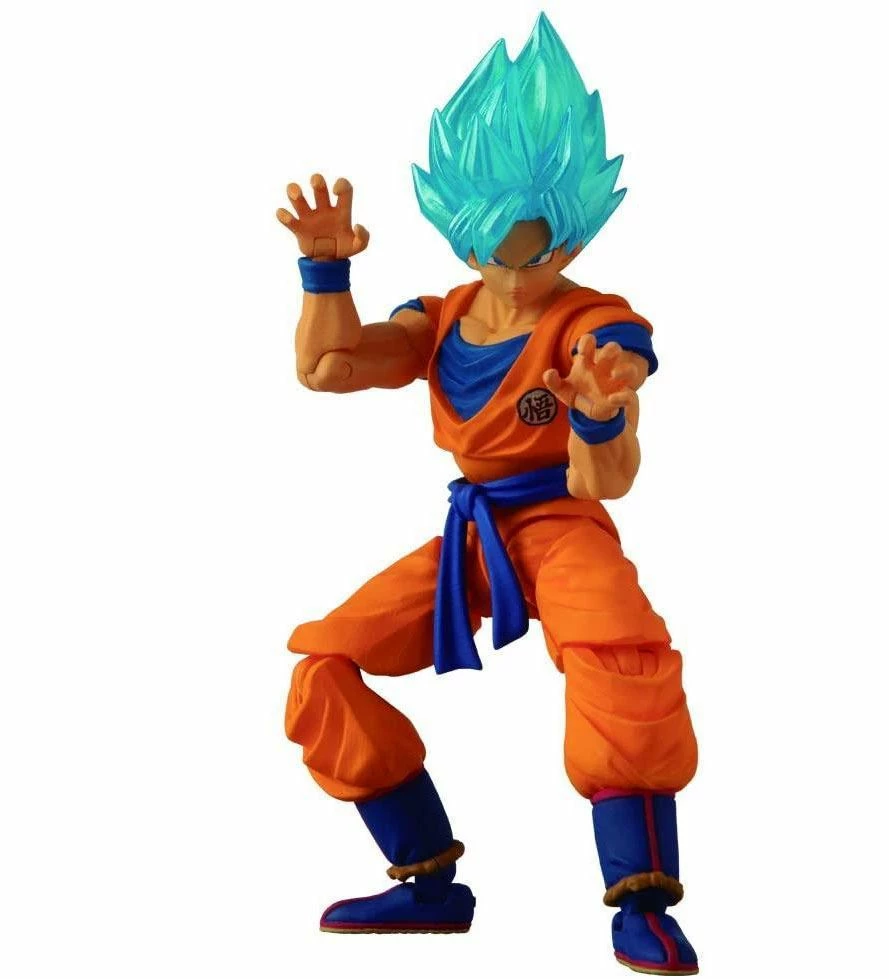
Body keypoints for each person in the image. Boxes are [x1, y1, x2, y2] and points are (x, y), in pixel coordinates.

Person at [276, 14, 699, 975]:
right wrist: (325, 273)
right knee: (323, 663)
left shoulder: (597, 326)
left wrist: (600, 412)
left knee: (621, 664)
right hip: (475, 530)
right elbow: (329, 367)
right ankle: (428, 882)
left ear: (569, 234)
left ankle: (642, 900)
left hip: (560, 521)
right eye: (493, 250)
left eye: (535, 250)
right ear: (462, 235)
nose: (514, 271)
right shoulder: (443, 316)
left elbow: (606, 481)